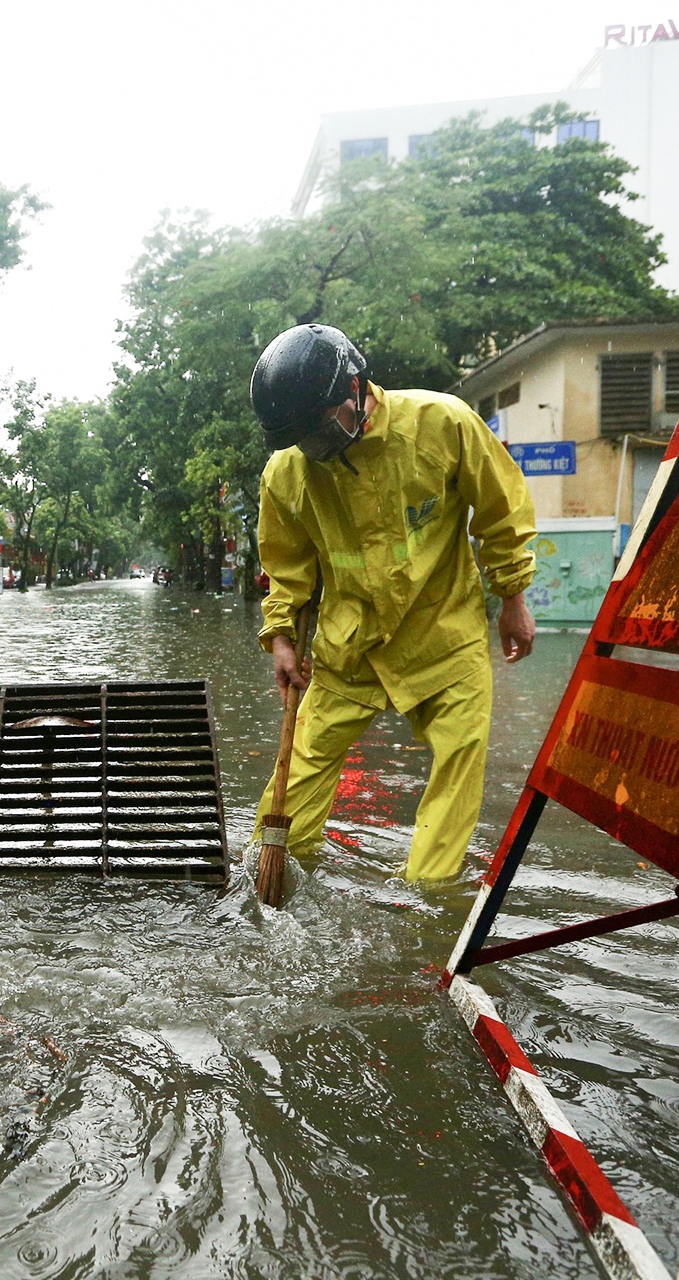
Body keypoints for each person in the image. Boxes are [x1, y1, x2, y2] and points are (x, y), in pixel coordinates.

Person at [250, 324, 537, 884]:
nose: (317, 448)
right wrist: (282, 637)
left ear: (356, 388)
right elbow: (287, 566)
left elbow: (501, 511)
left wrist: (513, 599)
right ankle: (266, 883)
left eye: (321, 430)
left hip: (444, 638)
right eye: (303, 438)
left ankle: (427, 906)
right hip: (350, 647)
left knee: (457, 772)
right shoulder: (288, 472)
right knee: (292, 791)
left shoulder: (442, 424)